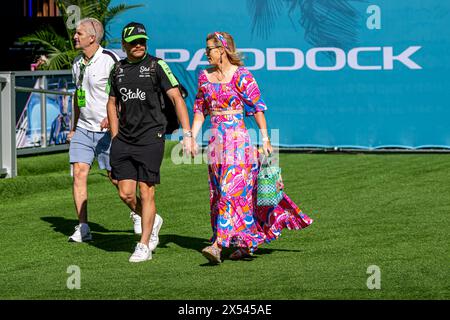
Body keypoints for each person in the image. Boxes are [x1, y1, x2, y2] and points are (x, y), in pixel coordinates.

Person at [191, 31, 313, 264]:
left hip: (238, 143)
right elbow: (199, 109)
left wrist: (265, 139)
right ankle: (245, 243)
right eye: (206, 49)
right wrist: (191, 137)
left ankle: (217, 245)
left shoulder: (242, 76)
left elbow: (257, 108)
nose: (206, 53)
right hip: (216, 144)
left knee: (229, 190)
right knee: (220, 194)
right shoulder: (204, 77)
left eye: (210, 49)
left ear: (223, 50)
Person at [106, 22, 195, 262]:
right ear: (124, 45)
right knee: (125, 193)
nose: (138, 45)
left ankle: (144, 245)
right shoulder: (117, 70)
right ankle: (152, 219)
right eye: (133, 42)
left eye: (142, 41)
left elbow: (176, 98)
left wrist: (187, 135)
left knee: (146, 190)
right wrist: (115, 135)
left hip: (151, 137)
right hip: (124, 138)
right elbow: (112, 103)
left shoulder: (157, 66)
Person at [67, 17, 121, 242]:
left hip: (107, 132)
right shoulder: (77, 64)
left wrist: (113, 117)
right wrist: (73, 127)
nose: (75, 37)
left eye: (79, 33)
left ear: (92, 37)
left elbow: (122, 94)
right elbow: (77, 97)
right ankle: (83, 227)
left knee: (116, 180)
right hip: (83, 129)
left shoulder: (110, 59)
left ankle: (141, 214)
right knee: (79, 173)